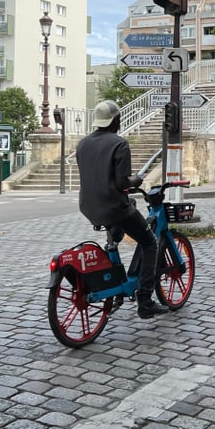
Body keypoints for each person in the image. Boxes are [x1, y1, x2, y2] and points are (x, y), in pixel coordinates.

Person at [75, 100, 167, 318]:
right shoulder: (119, 144)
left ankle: (117, 284)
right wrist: (137, 179)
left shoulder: (83, 144)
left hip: (89, 206)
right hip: (113, 206)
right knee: (150, 243)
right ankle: (145, 301)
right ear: (116, 120)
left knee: (121, 226)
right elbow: (121, 183)